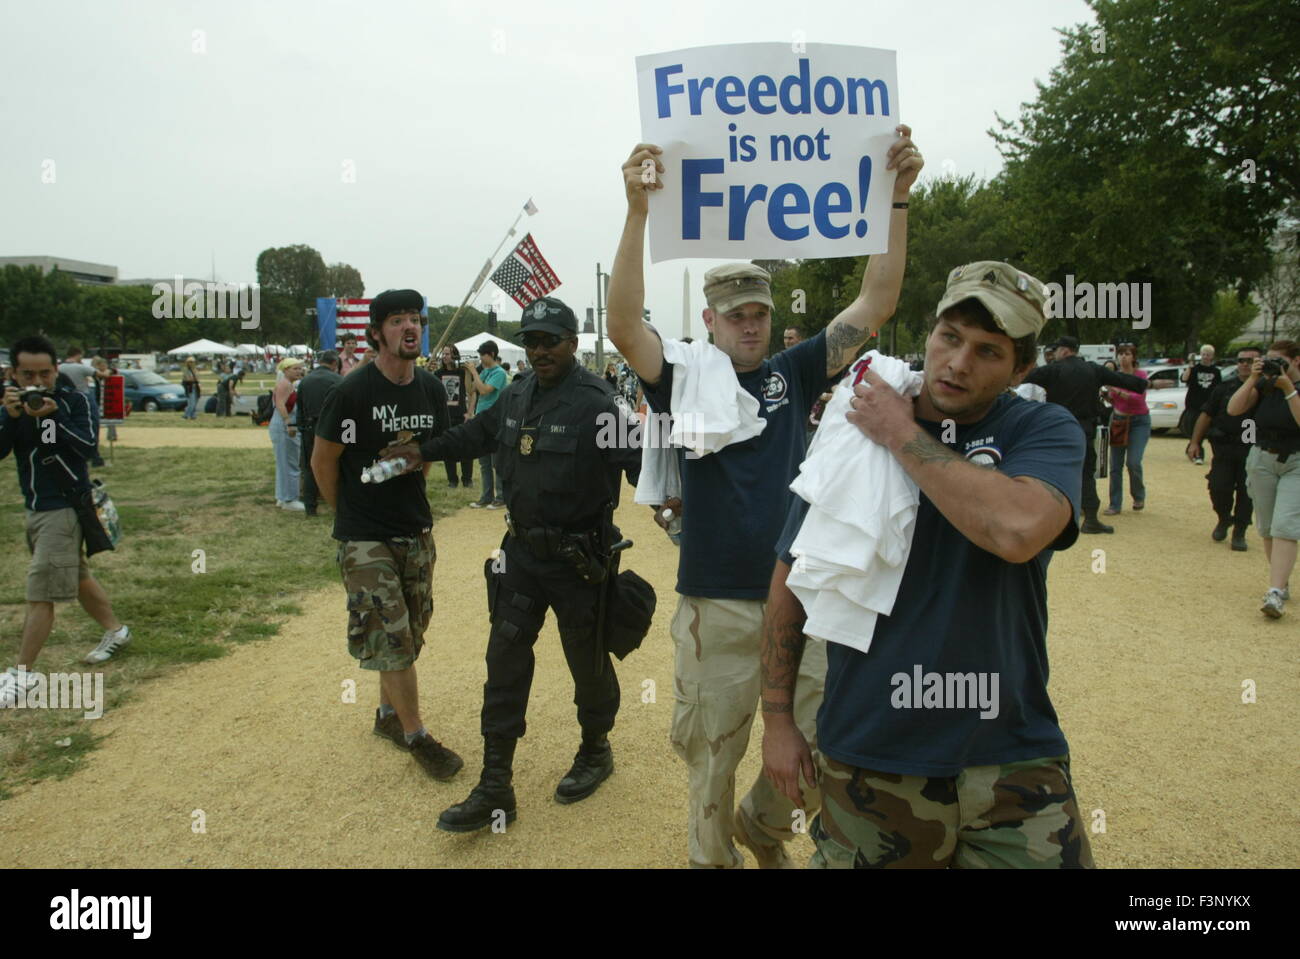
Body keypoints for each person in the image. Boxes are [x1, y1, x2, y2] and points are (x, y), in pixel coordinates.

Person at [607, 126, 922, 868]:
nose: (750, 324)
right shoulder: (683, 378)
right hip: (715, 602)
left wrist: (897, 198)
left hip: (799, 597)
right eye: (735, 314)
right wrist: (636, 211)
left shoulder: (794, 371)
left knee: (816, 742)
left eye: (759, 311)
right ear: (712, 320)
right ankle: (711, 857)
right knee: (712, 760)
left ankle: (764, 823)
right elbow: (623, 325)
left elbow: (877, 299)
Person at [763, 262, 1093, 868]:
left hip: (1010, 752)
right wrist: (778, 721)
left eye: (988, 351)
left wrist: (902, 436)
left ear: (1022, 369)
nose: (959, 363)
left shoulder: (1042, 428)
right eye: (950, 337)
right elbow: (791, 578)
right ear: (930, 333)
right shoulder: (855, 424)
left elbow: (1018, 529)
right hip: (871, 751)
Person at [389, 296, 642, 832]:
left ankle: (596, 750)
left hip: (579, 561)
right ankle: (495, 784)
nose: (540, 349)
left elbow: (645, 463)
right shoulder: (517, 393)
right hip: (521, 554)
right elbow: (473, 436)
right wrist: (423, 451)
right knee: (503, 661)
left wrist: (678, 499)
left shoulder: (598, 403)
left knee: (587, 661)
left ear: (573, 343)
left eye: (550, 340)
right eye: (531, 340)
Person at [310, 288, 461, 779]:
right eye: (397, 320)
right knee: (391, 634)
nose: (409, 328)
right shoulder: (351, 392)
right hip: (364, 537)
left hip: (414, 530)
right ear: (376, 332)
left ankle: (386, 716)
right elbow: (322, 461)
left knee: (409, 633)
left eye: (415, 319)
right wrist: (351, 518)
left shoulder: (432, 391)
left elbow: (427, 459)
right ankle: (417, 735)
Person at [0, 336, 131, 707]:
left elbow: (87, 448)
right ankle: (116, 631)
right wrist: (9, 418)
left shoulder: (73, 401)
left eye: (45, 373)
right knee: (76, 575)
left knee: (40, 592)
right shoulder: (12, 404)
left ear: (57, 369)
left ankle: (22, 675)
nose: (37, 382)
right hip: (35, 507)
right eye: (28, 374)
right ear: (13, 372)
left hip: (64, 507)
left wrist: (52, 417)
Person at [1024, 335, 1150, 533]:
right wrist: (1143, 384)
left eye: (1056, 350)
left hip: (1056, 428)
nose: (1054, 354)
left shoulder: (1052, 370)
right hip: (1083, 429)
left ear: (1064, 351)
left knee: (1051, 470)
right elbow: (1120, 379)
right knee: (1085, 472)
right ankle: (1090, 518)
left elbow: (1023, 376)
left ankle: (1047, 517)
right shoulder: (1093, 369)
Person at [1227, 340, 1300, 618]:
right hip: (1262, 457)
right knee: (1268, 526)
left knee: (1285, 525)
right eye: (1268, 361)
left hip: (1295, 460)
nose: (1273, 366)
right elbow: (1234, 409)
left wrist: (1289, 389)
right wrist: (1255, 378)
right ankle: (1281, 580)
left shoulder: (1290, 387)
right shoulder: (1263, 386)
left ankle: (1275, 591)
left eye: (1278, 361)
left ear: (1296, 361)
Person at [1187, 346, 1262, 550]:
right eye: (1241, 360)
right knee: (1218, 486)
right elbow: (1206, 414)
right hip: (1224, 446)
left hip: (1252, 449)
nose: (1244, 364)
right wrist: (1195, 442)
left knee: (1247, 493)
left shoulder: (1268, 388)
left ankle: (1240, 530)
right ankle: (1223, 518)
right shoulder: (1223, 388)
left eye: (1250, 360)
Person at [1102, 343, 1152, 515]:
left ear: (1133, 357)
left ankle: (1139, 495)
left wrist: (1116, 390)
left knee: (1133, 462)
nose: (1123, 357)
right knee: (1115, 465)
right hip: (1118, 420)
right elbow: (1115, 401)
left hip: (1139, 421)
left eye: (1127, 354)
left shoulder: (1140, 375)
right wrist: (1108, 396)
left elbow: (1138, 399)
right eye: (1121, 354)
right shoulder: (1114, 376)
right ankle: (1115, 504)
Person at [296, 351, 343, 516]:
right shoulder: (338, 380)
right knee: (337, 464)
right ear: (334, 364)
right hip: (334, 427)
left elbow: (299, 409)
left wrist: (301, 428)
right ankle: (338, 503)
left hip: (310, 426)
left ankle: (310, 506)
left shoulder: (305, 381)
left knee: (310, 467)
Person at [465, 340, 508, 509]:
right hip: (481, 419)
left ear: (491, 354)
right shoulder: (485, 372)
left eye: (482, 355)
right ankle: (486, 496)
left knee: (496, 462)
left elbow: (484, 390)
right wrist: (469, 373)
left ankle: (501, 496)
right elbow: (471, 390)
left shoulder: (499, 373)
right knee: (484, 462)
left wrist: (475, 372)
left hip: (495, 420)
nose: (480, 358)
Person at [433, 346, 475, 489]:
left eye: (448, 354)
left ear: (454, 355)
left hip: (461, 415)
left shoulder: (462, 372)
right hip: (445, 417)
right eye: (443, 354)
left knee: (465, 448)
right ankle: (452, 480)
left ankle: (467, 479)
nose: (445, 356)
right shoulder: (438, 374)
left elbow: (472, 392)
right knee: (447, 449)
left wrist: (469, 412)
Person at [270, 357, 306, 510]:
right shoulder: (285, 384)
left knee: (283, 463)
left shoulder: (287, 383)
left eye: (299, 368)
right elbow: (280, 404)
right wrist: (289, 423)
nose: (299, 371)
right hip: (285, 425)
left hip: (281, 425)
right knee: (291, 463)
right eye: (295, 368)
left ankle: (282, 496)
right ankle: (290, 499)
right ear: (285, 370)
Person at [58, 346, 103, 467]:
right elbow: (101, 375)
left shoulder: (59, 367)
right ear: (78, 354)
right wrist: (109, 372)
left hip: (64, 399)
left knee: (67, 426)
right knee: (92, 426)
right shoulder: (81, 367)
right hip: (83, 398)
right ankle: (94, 456)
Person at [1180, 344, 1221, 439]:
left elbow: (1218, 388)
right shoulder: (1194, 369)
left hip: (1208, 406)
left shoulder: (1216, 371)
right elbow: (1184, 379)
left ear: (1212, 356)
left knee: (1208, 434)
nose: (1206, 357)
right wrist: (1190, 365)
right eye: (1204, 354)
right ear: (1201, 355)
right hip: (1193, 406)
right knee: (1192, 434)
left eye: (1208, 355)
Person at [181, 356, 201, 420]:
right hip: (190, 388)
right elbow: (188, 379)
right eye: (190, 362)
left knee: (195, 402)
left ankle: (193, 415)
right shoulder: (186, 370)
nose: (192, 363)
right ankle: (186, 415)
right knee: (191, 403)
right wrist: (194, 378)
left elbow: (197, 379)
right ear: (187, 363)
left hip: (196, 387)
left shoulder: (195, 370)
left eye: (193, 362)